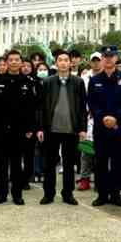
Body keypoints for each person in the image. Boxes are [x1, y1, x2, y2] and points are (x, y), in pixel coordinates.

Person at [0, 50, 37, 205]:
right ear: (6, 63)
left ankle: (17, 194)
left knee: (16, 164)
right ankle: (1, 193)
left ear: (21, 63)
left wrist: (30, 128)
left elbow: (31, 108)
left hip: (19, 129)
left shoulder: (28, 82)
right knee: (1, 164)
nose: (14, 62)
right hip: (1, 128)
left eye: (17, 60)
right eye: (11, 60)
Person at [37, 50, 87, 205]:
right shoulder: (48, 82)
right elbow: (41, 107)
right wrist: (40, 128)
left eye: (66, 60)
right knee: (49, 164)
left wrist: (82, 129)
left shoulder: (78, 82)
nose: (64, 63)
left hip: (71, 130)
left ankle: (68, 194)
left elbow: (82, 107)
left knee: (69, 163)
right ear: (56, 63)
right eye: (61, 60)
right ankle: (49, 193)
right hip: (51, 129)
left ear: (71, 63)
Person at [88, 46, 121, 207]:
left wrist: (116, 118)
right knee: (100, 162)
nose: (108, 59)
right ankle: (102, 194)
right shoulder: (95, 80)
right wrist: (103, 118)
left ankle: (115, 193)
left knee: (118, 162)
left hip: (119, 128)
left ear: (116, 58)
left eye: (111, 56)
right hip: (101, 127)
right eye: (105, 56)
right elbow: (92, 104)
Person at [78, 52, 103, 192]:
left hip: (102, 118)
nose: (96, 63)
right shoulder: (84, 78)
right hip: (87, 118)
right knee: (86, 150)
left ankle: (100, 179)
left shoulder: (107, 76)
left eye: (98, 60)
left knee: (102, 151)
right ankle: (85, 178)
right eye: (93, 61)